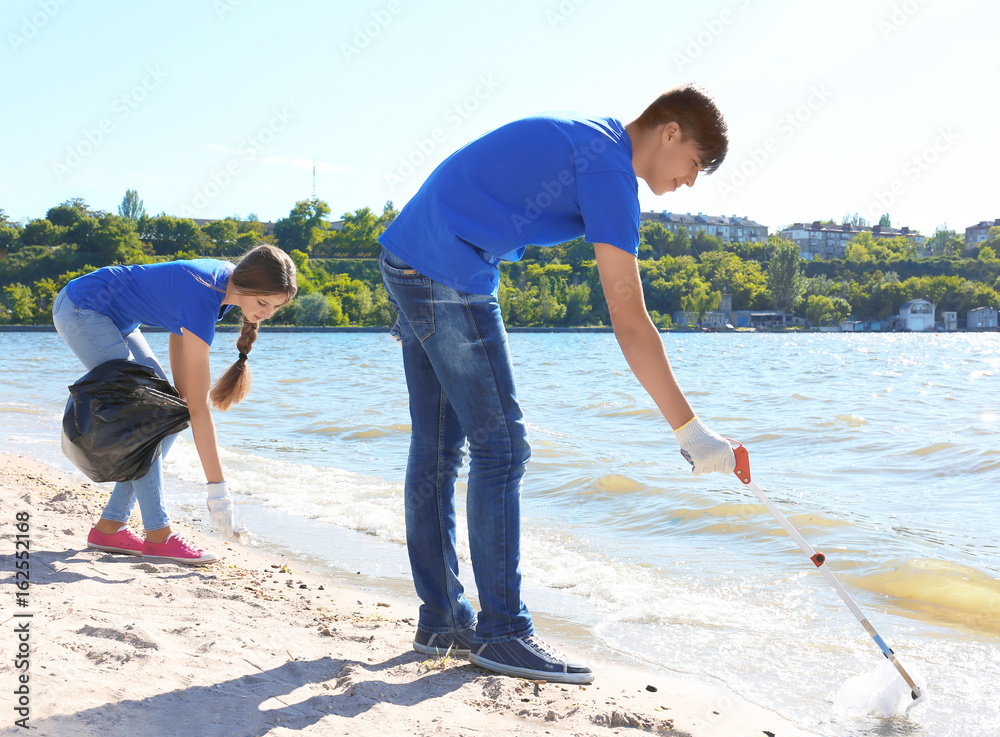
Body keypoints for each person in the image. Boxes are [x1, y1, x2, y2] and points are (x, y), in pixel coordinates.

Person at [378, 84, 737, 684]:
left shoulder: (592, 141)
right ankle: (504, 634)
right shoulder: (609, 168)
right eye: (696, 164)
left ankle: (442, 620)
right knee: (502, 451)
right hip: (446, 271)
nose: (691, 182)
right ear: (670, 131)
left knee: (439, 451)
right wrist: (691, 430)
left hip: (414, 258)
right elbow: (628, 317)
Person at [53, 244, 297, 565]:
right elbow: (201, 407)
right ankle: (159, 535)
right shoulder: (204, 294)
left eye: (275, 307)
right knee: (144, 419)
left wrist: (176, 406)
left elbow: (177, 336)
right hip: (83, 310)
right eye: (263, 302)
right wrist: (218, 493)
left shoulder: (222, 286)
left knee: (166, 417)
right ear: (245, 282)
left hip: (118, 321)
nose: (266, 314)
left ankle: (110, 526)